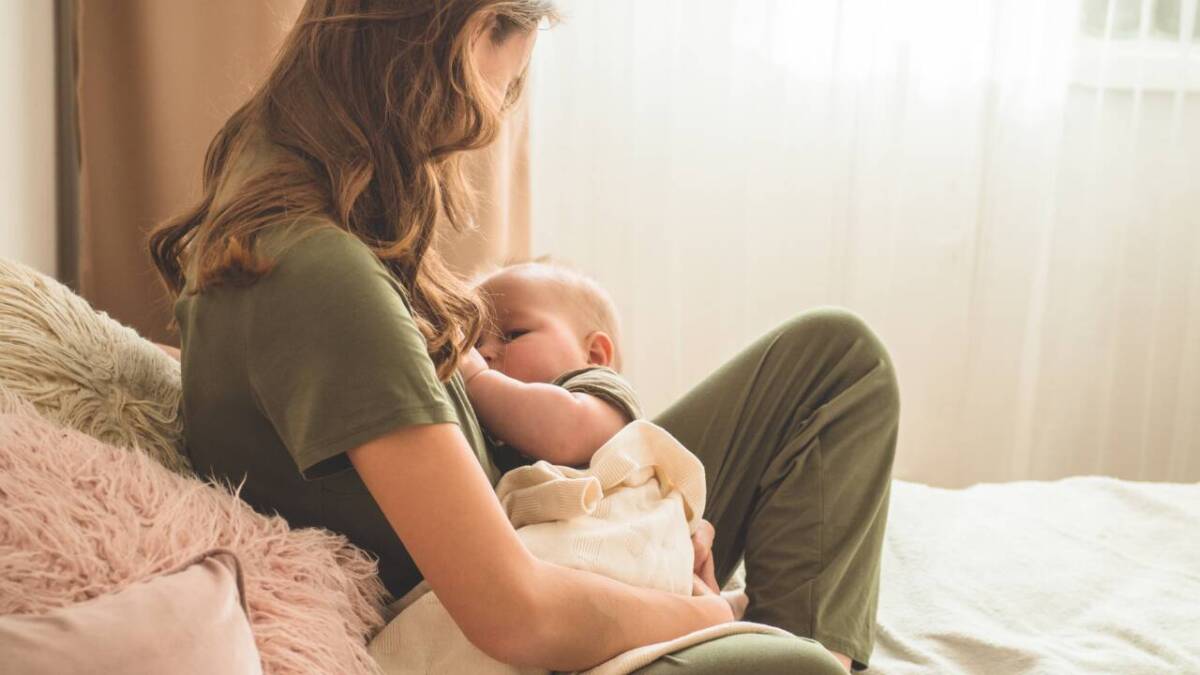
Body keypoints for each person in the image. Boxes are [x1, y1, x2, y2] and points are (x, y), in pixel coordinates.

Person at [148, 2, 898, 672]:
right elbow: (517, 612)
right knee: (794, 666)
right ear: (477, 33)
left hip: (535, 515)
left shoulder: (283, 192)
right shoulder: (320, 277)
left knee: (834, 361)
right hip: (506, 614)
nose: (499, 112)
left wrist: (652, 514)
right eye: (509, 82)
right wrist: (709, 610)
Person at [468, 260, 642, 470]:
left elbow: (566, 434)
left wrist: (475, 379)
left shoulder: (602, 392)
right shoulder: (492, 427)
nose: (481, 353)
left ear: (594, 355)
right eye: (474, 344)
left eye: (513, 334)